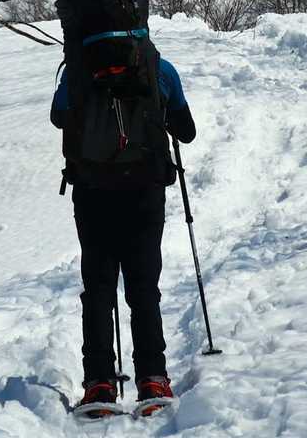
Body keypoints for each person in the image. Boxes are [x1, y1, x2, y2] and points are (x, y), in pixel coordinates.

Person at [50, 35, 197, 418]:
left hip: (92, 191)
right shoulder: (159, 68)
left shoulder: (77, 70)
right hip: (144, 190)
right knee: (143, 285)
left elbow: (58, 117)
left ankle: (99, 382)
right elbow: (186, 130)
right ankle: (152, 378)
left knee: (98, 287)